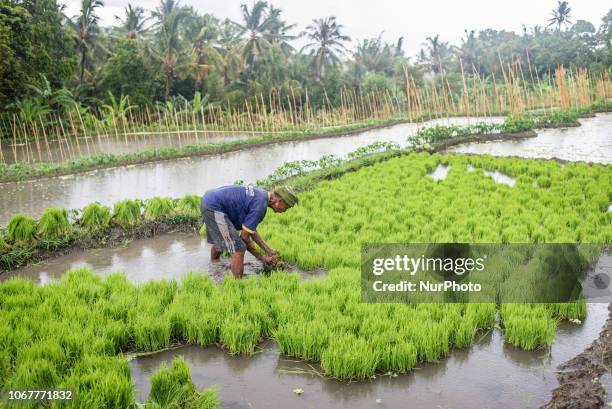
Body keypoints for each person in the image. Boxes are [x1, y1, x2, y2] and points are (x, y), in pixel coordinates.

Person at [200, 185, 298, 278]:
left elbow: (250, 229)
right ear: (279, 201)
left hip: (210, 200)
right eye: (287, 207)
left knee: (223, 237)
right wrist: (262, 258)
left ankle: (214, 266)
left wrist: (268, 250)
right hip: (214, 208)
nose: (285, 210)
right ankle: (237, 283)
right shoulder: (260, 205)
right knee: (239, 248)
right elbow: (244, 237)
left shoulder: (261, 195)